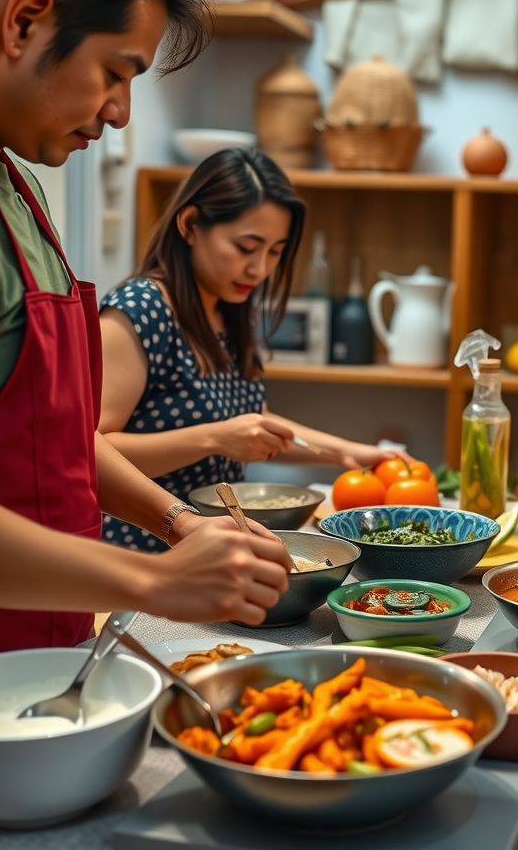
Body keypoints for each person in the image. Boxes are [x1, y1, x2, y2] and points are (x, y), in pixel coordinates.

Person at [0, 0, 293, 675]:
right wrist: (153, 581)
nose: (122, 111)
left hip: (30, 662)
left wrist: (177, 523)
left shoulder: (9, 184)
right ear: (24, 20)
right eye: (117, 71)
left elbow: (48, 439)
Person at [98, 148, 400, 551]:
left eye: (275, 251)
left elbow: (250, 425)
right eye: (246, 247)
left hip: (214, 550)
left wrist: (348, 453)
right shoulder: (139, 310)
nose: (260, 269)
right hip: (143, 552)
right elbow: (92, 447)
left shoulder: (228, 309)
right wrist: (214, 439)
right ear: (190, 225)